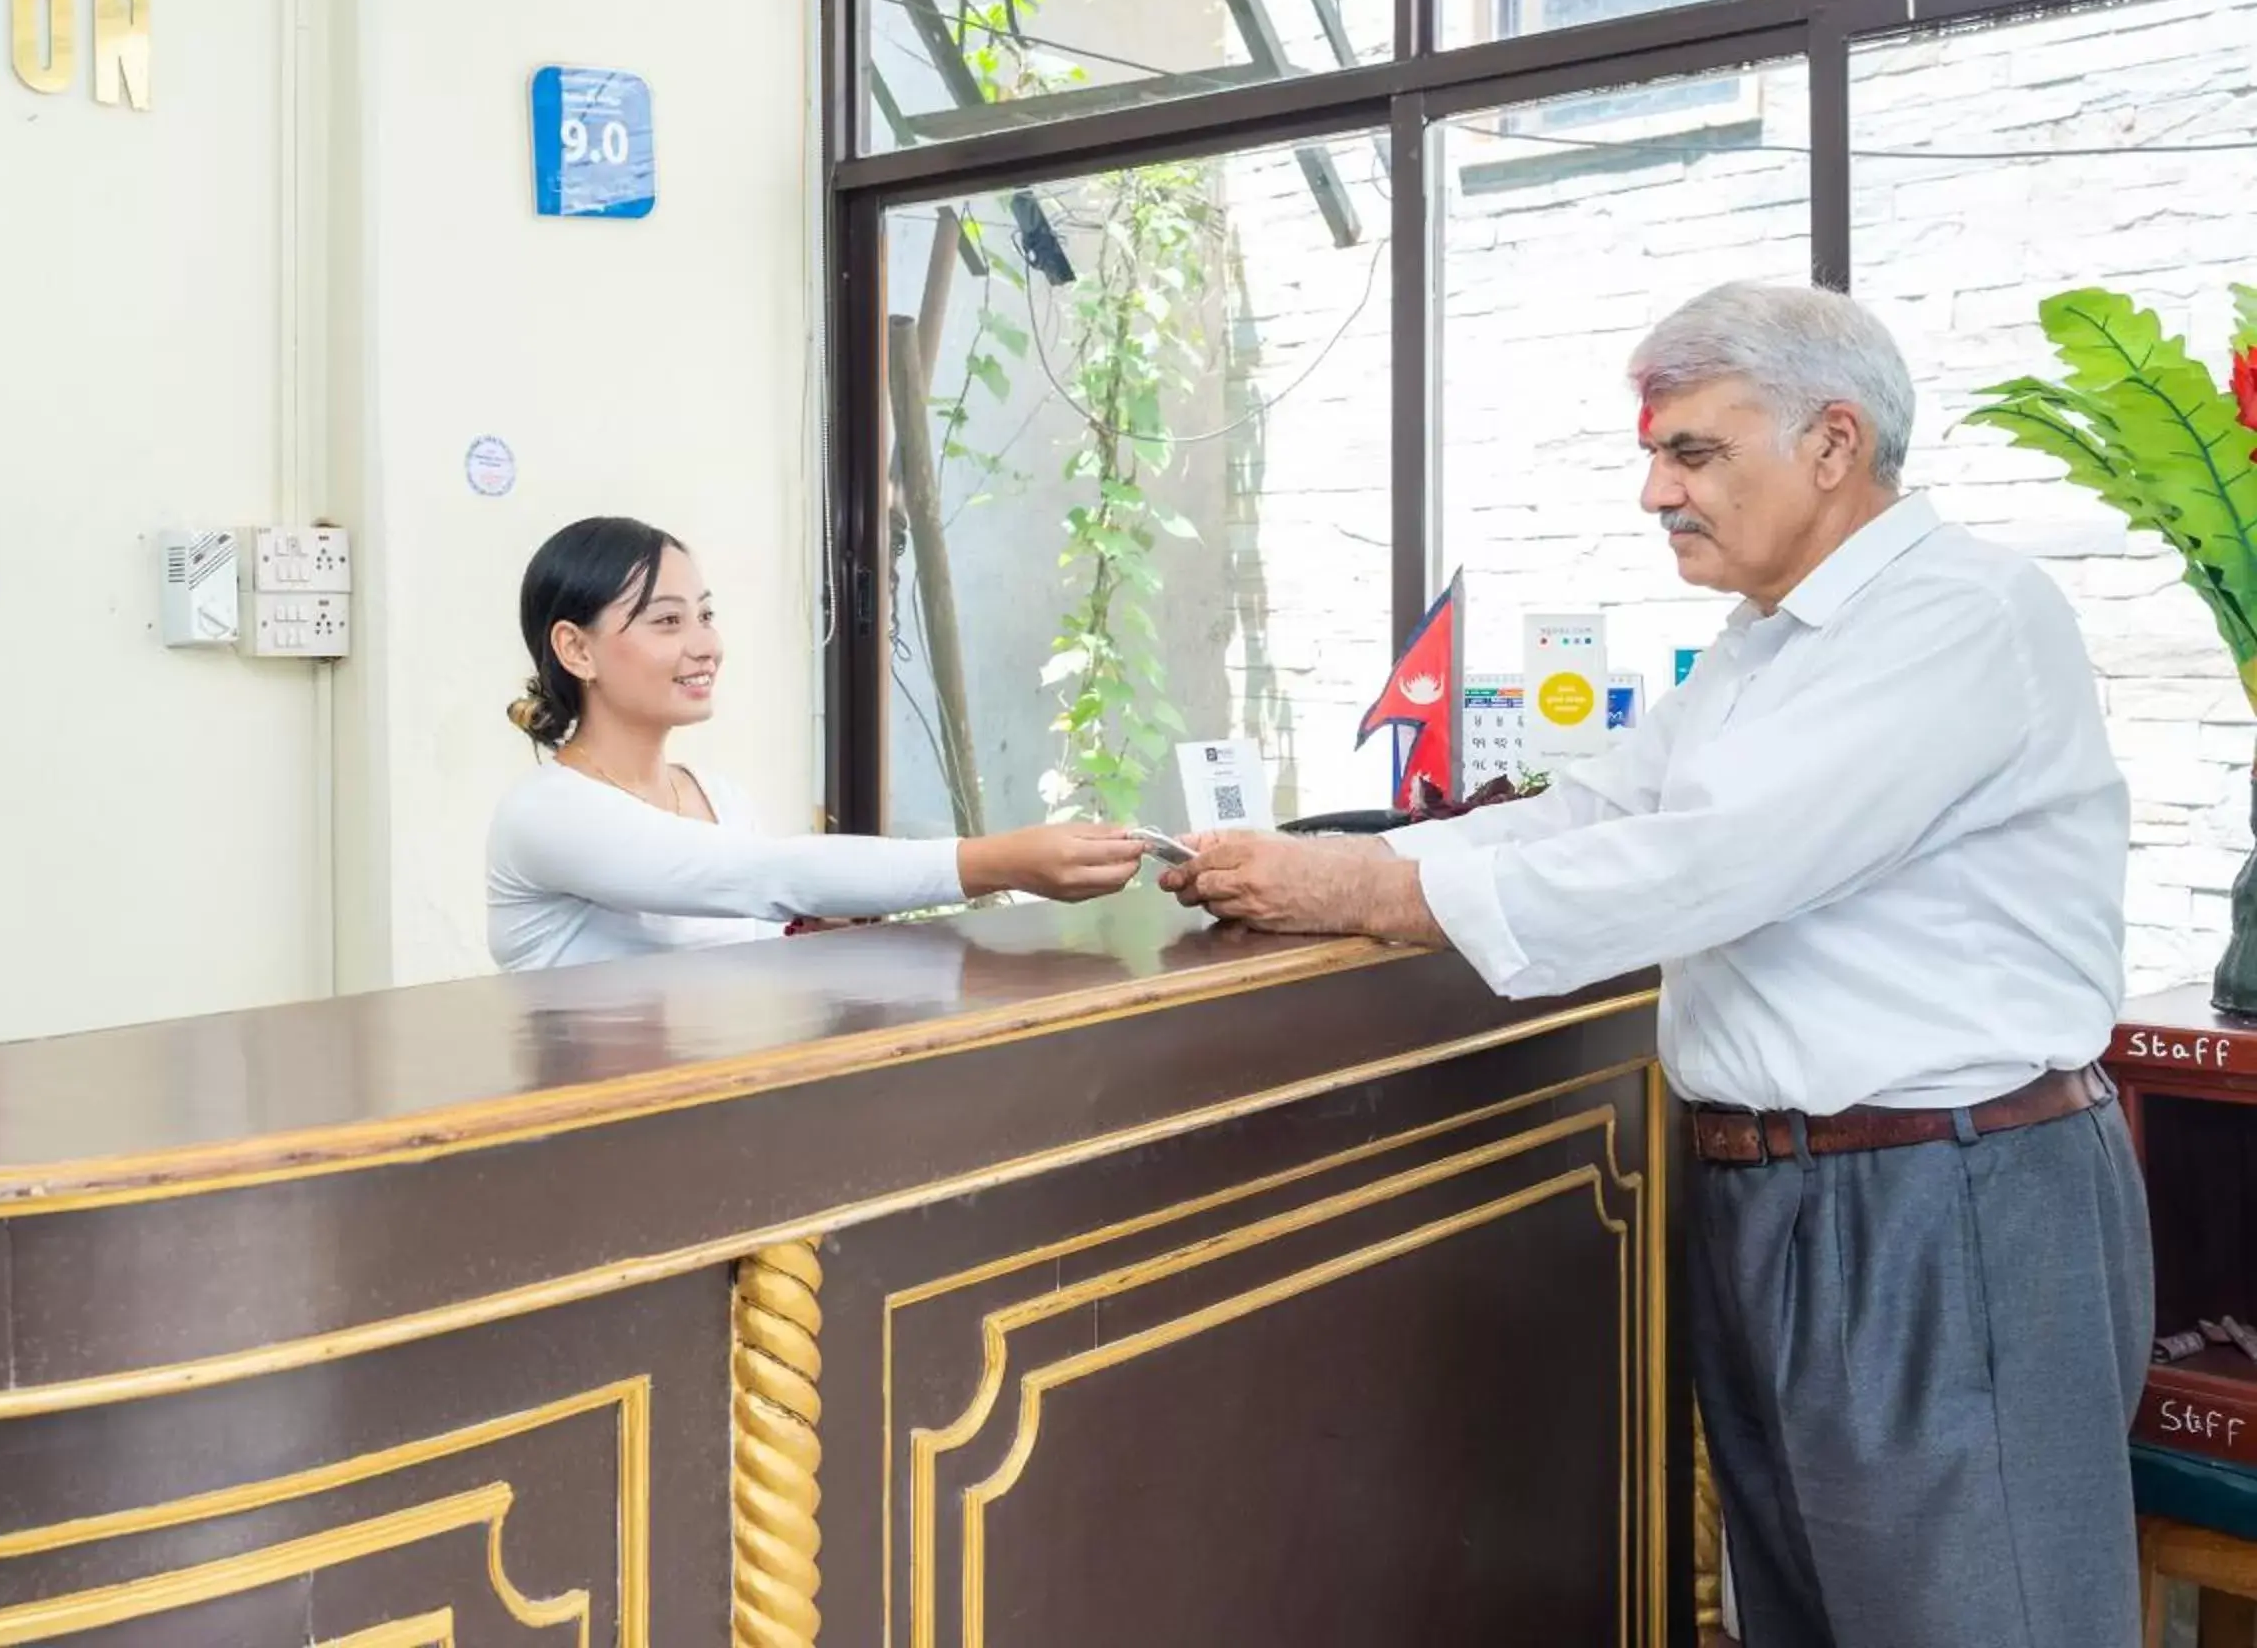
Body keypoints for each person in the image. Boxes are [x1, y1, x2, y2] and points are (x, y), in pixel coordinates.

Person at [1161, 282, 2149, 1648]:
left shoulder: (1965, 614)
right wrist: (1347, 858)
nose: (1654, 493)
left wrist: (1385, 892)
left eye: (1692, 452)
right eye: (1655, 454)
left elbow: (1722, 860)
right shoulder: (1767, 644)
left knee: (1981, 1620)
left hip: (1946, 1200)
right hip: (1781, 1198)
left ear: (1832, 442)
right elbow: (1605, 811)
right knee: (1803, 1615)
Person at [488, 516, 1146, 971]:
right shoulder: (547, 814)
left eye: (707, 616)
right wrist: (1002, 861)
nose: (705, 645)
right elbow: (765, 877)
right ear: (576, 648)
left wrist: (804, 940)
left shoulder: (721, 800)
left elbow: (748, 949)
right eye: (667, 621)